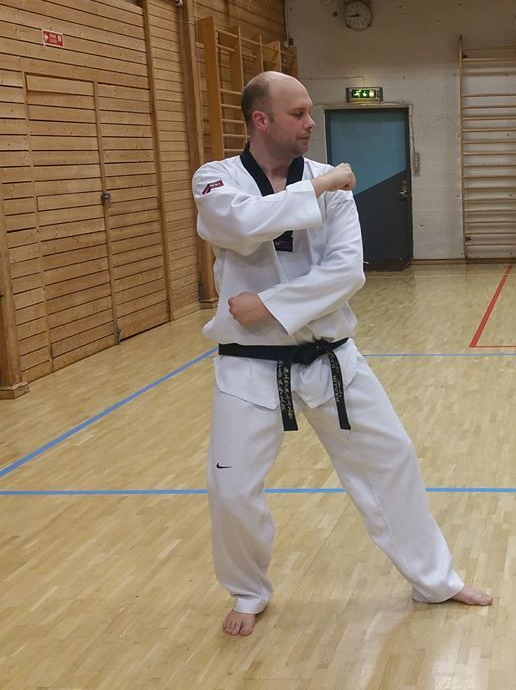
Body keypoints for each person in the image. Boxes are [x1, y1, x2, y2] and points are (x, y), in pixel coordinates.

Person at [192, 71, 492, 637]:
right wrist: (320, 189)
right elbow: (240, 226)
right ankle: (248, 591)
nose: (310, 123)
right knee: (230, 487)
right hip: (248, 363)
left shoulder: (328, 180)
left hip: (329, 355)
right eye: (298, 113)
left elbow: (346, 271)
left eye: (309, 112)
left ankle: (435, 579)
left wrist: (272, 303)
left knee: (392, 459)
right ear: (261, 119)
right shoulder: (217, 178)